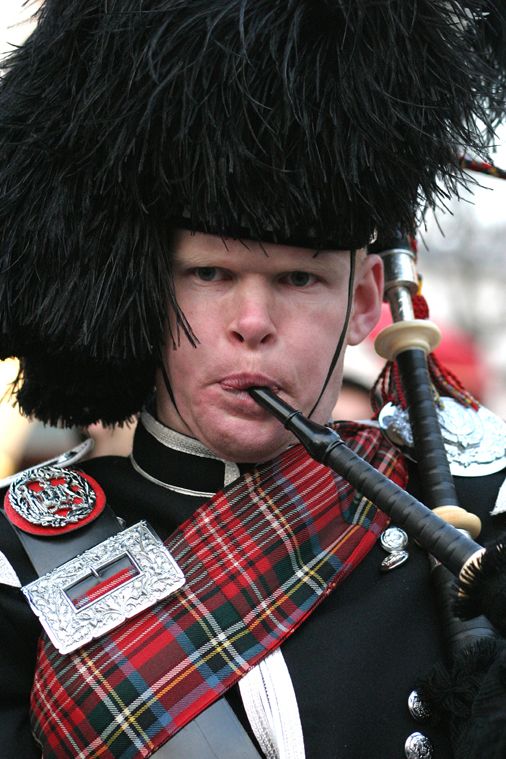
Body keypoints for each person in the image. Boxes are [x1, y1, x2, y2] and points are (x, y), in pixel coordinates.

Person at [0, 2, 505, 758]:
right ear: (145, 287)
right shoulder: (17, 559)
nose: (253, 321)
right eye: (210, 271)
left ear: (365, 300)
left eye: (300, 278)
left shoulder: (478, 500)